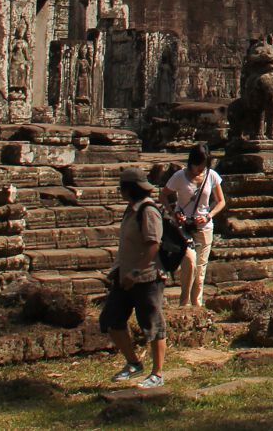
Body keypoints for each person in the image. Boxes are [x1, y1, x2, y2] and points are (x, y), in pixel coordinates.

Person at [101, 166, 167, 388]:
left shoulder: (148, 211)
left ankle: (157, 373)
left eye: (122, 188)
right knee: (112, 319)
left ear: (129, 190)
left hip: (147, 277)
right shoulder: (131, 210)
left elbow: (153, 245)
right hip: (125, 276)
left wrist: (136, 272)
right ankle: (133, 362)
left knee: (153, 325)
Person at [162, 145, 226, 307]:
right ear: (191, 162)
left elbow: (220, 201)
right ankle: (184, 303)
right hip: (183, 228)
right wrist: (173, 213)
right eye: (198, 165)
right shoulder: (179, 176)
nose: (200, 169)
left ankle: (196, 304)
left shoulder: (212, 176)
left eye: (203, 166)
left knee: (200, 270)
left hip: (204, 227)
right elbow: (163, 195)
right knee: (190, 263)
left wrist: (208, 216)